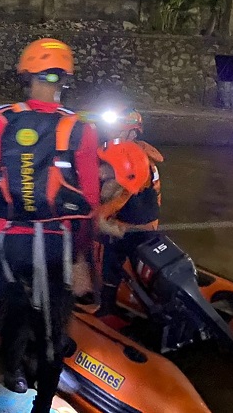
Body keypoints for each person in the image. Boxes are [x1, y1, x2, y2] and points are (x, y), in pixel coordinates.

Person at [0, 38, 100, 413]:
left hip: (3, 242)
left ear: (27, 75)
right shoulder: (81, 127)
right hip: (55, 245)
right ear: (64, 78)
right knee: (52, 336)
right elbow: (90, 204)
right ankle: (41, 409)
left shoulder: (2, 117)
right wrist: (82, 260)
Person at [95, 107, 164, 316]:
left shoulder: (129, 159)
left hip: (128, 226)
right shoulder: (141, 154)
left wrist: (100, 218)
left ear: (133, 133)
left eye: (119, 130)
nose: (113, 134)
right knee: (138, 265)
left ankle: (107, 308)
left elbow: (118, 197)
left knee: (109, 260)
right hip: (148, 224)